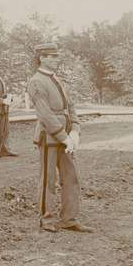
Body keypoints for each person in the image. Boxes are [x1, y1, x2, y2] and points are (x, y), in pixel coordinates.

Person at [27, 43, 91, 233]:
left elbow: (70, 106)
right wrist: (64, 136)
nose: (56, 59)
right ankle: (47, 219)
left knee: (71, 177)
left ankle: (68, 219)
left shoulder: (57, 79)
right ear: (42, 58)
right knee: (48, 180)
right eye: (52, 56)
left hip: (66, 136)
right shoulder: (36, 81)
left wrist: (75, 130)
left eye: (56, 56)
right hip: (49, 136)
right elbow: (45, 114)